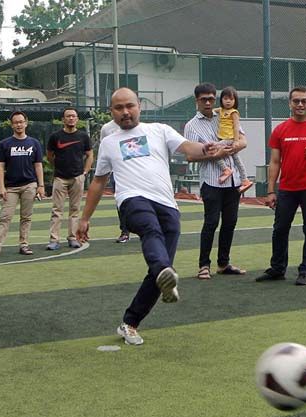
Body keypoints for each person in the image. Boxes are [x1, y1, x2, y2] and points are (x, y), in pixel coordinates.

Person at [76, 88, 217, 346]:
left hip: (167, 204)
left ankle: (129, 323)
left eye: (129, 106)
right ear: (112, 112)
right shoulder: (109, 142)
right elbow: (98, 182)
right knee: (151, 234)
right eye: (119, 108)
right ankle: (165, 272)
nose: (125, 112)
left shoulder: (159, 130)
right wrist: (85, 218)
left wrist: (205, 147)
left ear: (139, 106)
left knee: (158, 270)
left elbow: (188, 147)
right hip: (132, 200)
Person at [255, 86, 306, 286]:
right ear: (290, 104)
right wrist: (271, 190)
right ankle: (277, 269)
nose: (300, 104)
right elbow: (275, 162)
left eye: (304, 101)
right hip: (287, 188)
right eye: (296, 101)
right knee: (280, 229)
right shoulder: (280, 129)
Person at [183, 82, 249, 280]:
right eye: (203, 99)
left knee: (230, 222)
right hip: (212, 180)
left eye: (211, 99)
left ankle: (223, 263)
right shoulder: (192, 126)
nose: (208, 103)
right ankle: (204, 265)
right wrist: (216, 154)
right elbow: (190, 156)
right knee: (211, 222)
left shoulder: (225, 115)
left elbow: (243, 140)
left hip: (233, 181)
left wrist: (234, 147)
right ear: (196, 101)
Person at [0, 111, 45, 258]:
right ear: (12, 125)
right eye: (16, 122)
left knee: (26, 217)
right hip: (11, 187)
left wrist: (41, 186)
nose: (19, 125)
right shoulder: (5, 144)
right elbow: (0, 166)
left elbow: (38, 165)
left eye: (21, 122)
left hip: (29, 185)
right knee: (5, 217)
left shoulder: (34, 143)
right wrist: (1, 186)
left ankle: (24, 244)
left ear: (26, 123)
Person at [45, 107, 93, 250]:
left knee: (75, 209)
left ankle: (73, 238)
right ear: (63, 119)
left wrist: (85, 171)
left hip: (77, 177)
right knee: (56, 210)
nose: (71, 118)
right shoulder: (55, 137)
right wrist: (58, 167)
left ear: (77, 119)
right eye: (68, 116)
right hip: (60, 178)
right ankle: (54, 240)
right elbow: (49, 156)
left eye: (73, 116)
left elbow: (90, 155)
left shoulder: (83, 136)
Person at [213, 86, 253, 193]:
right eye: (225, 99)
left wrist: (236, 141)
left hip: (229, 138)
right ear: (221, 100)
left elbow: (236, 127)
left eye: (231, 99)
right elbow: (212, 111)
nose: (228, 101)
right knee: (237, 160)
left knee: (214, 149)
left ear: (235, 101)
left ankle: (226, 169)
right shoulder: (221, 110)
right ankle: (245, 180)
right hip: (224, 138)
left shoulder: (234, 112)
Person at [101, 119, 131, 243]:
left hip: (135, 171)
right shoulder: (107, 128)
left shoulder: (140, 127)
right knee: (121, 202)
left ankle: (145, 229)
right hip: (117, 172)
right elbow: (104, 151)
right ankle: (125, 231)